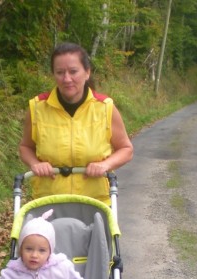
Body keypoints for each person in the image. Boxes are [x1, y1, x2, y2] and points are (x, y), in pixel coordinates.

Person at [19, 42, 133, 204]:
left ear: (87, 73)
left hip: (94, 202)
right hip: (49, 201)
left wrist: (105, 165)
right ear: (53, 75)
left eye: (73, 71)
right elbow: (25, 147)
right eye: (60, 72)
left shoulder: (105, 107)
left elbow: (126, 149)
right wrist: (35, 164)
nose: (66, 79)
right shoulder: (37, 108)